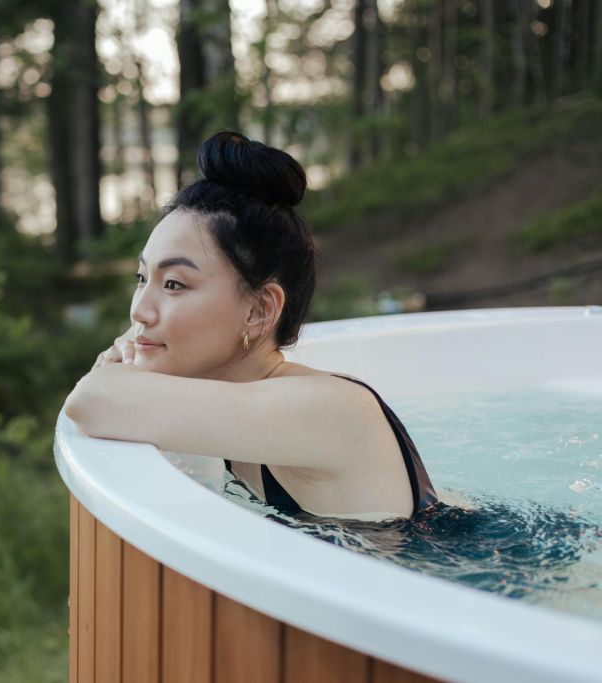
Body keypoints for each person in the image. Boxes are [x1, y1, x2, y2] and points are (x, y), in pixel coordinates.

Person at [63, 130, 438, 521]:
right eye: (142, 279)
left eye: (173, 284)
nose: (140, 310)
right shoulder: (241, 399)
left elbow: (91, 400)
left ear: (260, 311)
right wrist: (137, 345)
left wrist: (126, 356)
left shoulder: (328, 410)